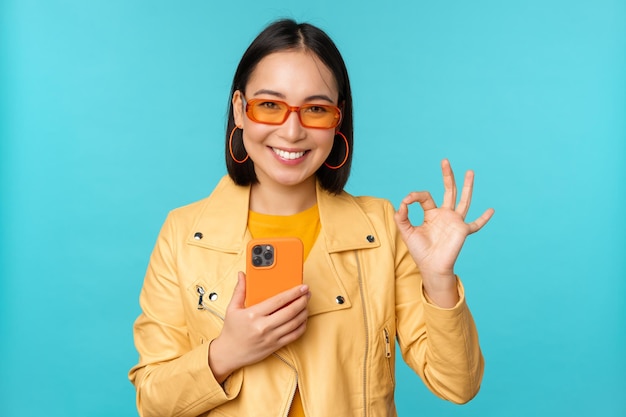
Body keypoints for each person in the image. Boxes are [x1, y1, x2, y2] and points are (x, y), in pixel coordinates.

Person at [128, 18, 494, 417]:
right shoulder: (183, 234)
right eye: (270, 105)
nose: (292, 131)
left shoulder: (383, 230)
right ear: (239, 110)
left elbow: (458, 385)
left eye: (315, 109)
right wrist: (225, 353)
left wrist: (439, 282)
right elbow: (153, 401)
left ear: (338, 119)